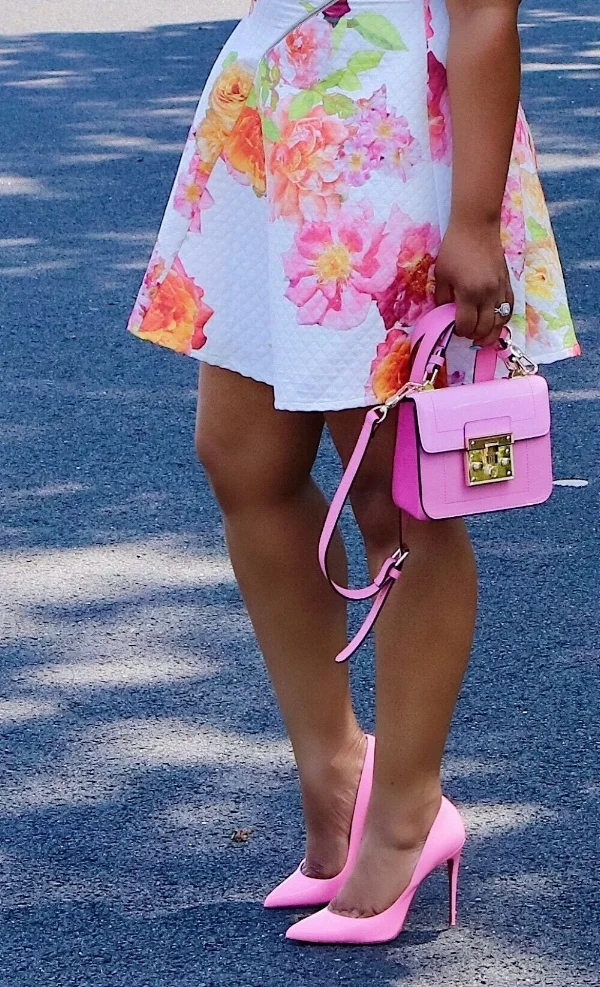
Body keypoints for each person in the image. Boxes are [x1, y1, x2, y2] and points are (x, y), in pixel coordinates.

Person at [126, 0, 580, 944]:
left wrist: (473, 217)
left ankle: (409, 811)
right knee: (243, 460)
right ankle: (338, 773)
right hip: (270, 109)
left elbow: (484, 10)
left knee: (397, 498)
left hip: (384, 132)